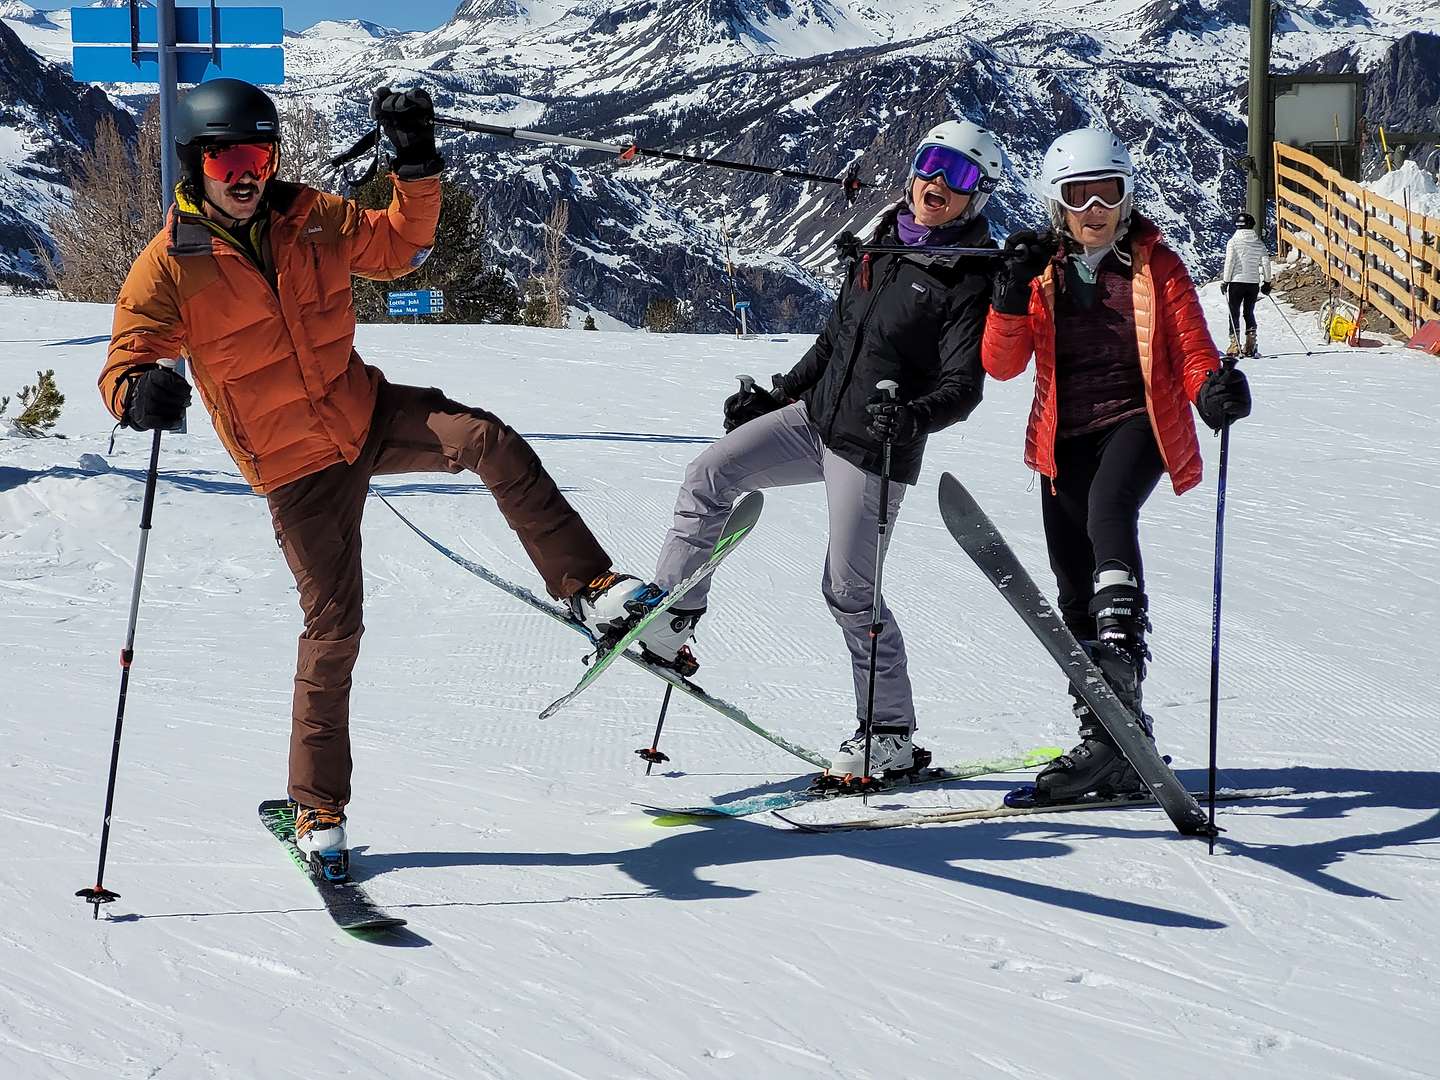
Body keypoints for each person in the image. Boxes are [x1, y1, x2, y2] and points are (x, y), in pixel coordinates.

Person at [99, 79, 649, 860]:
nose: (248, 172)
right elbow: (125, 359)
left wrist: (416, 162)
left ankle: (590, 588)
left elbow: (398, 247)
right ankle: (318, 812)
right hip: (294, 469)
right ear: (198, 165)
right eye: (229, 159)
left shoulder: (314, 218)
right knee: (335, 628)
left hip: (365, 413)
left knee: (486, 439)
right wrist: (137, 393)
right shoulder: (170, 266)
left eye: (260, 154)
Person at [638, 119, 1003, 782]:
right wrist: (777, 398)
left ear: (978, 196)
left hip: (873, 449)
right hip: (814, 420)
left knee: (849, 590)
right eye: (931, 165)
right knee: (708, 474)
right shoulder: (883, 246)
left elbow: (963, 388)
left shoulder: (967, 279)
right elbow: (835, 343)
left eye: (961, 177)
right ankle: (672, 617)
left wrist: (910, 417)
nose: (938, 185)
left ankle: (888, 731)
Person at [982, 128, 1252, 802]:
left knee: (1110, 513)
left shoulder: (1155, 265)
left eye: (1110, 192)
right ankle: (1109, 740)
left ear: (1129, 198)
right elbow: (1002, 363)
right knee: (1071, 585)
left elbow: (1192, 346)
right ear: (1057, 203)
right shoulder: (1041, 272)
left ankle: (1120, 648)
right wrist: (1009, 296)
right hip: (1061, 439)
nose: (1095, 206)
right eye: (1080, 194)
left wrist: (1212, 390)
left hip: (1140, 421)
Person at [1221, 211, 1273, 357]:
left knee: (1234, 312)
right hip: (1253, 282)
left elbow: (1230, 262)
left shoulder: (1233, 242)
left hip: (1236, 282)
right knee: (1248, 312)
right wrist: (1267, 282)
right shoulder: (1258, 243)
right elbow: (1266, 263)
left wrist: (1226, 281)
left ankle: (1234, 345)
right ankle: (1250, 345)